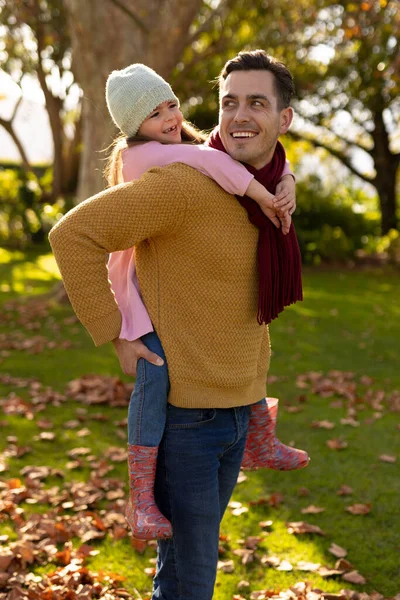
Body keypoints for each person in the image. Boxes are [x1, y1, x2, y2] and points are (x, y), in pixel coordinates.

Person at [49, 50, 306, 600]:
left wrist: (286, 185)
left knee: (189, 571)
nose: (239, 115)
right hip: (191, 417)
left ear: (283, 120)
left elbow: (260, 175)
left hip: (241, 405)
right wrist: (116, 332)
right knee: (190, 581)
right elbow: (72, 236)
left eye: (256, 103)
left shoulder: (262, 183)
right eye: (229, 102)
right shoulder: (181, 182)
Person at [102, 63, 308, 541]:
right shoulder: (147, 161)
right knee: (152, 386)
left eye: (171, 104)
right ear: (135, 128)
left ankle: (258, 434)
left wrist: (288, 176)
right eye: (154, 114)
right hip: (136, 300)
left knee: (250, 323)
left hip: (189, 319)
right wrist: (114, 329)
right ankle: (140, 498)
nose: (170, 117)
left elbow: (239, 149)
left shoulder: (181, 147)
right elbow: (216, 161)